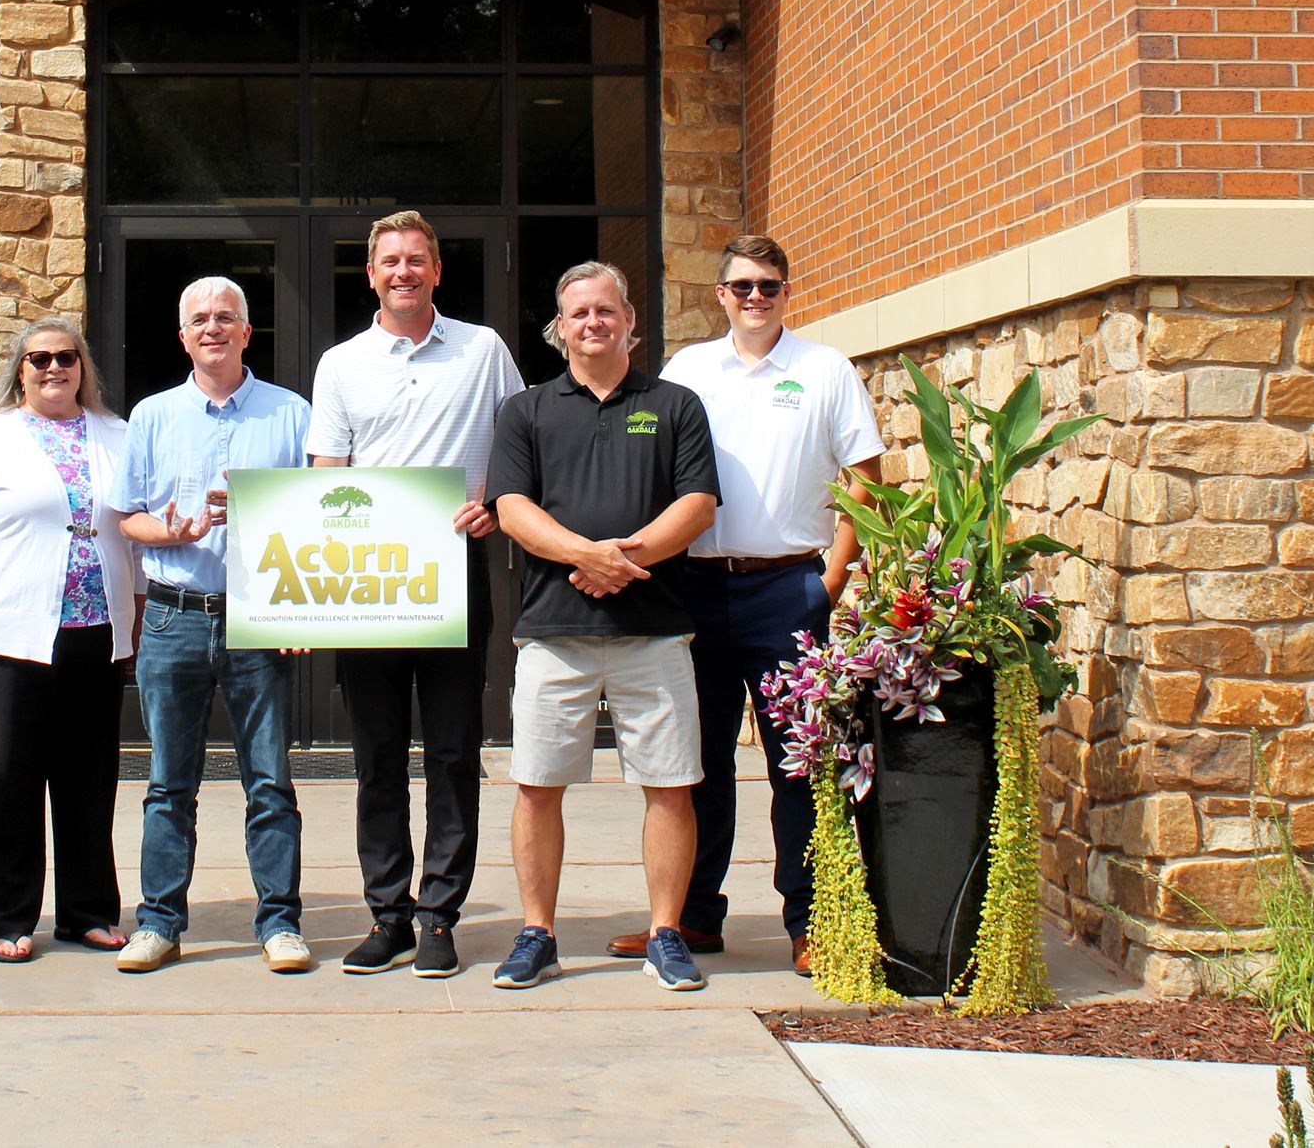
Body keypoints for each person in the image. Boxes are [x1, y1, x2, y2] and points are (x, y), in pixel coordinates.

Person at [625, 233, 886, 979]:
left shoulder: (824, 369)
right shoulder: (688, 371)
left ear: (786, 291)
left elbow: (865, 478)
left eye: (769, 286)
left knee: (796, 765)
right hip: (697, 586)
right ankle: (694, 918)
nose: (755, 299)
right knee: (693, 763)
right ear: (720, 294)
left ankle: (808, 923)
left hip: (787, 588)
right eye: (742, 286)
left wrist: (830, 579)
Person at [484, 261, 720, 991]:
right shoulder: (525, 410)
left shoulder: (676, 404)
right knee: (537, 783)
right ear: (560, 328)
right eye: (579, 312)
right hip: (555, 630)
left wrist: (621, 559)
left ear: (629, 320)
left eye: (606, 310)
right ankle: (537, 931)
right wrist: (587, 555)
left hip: (652, 629)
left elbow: (698, 504)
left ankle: (665, 931)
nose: (593, 322)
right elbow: (511, 507)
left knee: (671, 784)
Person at [309, 210, 523, 979]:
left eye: (416, 259)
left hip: (453, 568)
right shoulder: (341, 363)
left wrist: (495, 503)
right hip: (366, 578)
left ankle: (439, 915)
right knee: (375, 758)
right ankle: (388, 915)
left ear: (437, 270)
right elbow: (326, 474)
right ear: (370, 274)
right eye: (389, 260)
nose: (402, 270)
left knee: (454, 751)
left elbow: (518, 443)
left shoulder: (483, 349)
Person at [107, 277, 315, 977]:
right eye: (199, 318)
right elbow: (126, 517)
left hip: (259, 617)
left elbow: (315, 513)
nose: (213, 327)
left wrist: (301, 605)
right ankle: (159, 922)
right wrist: (164, 528)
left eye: (227, 317)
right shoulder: (153, 415)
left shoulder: (292, 413)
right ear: (183, 336)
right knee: (169, 782)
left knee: (270, 779)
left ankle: (280, 923)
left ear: (248, 333)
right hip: (173, 613)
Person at [0, 317, 138, 964]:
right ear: (19, 369)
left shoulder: (116, 435)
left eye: (66, 356)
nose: (53, 368)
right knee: (6, 781)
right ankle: (10, 914)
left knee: (90, 781)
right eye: (38, 358)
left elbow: (135, 532)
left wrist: (138, 618)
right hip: (8, 636)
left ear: (82, 365)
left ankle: (88, 911)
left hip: (94, 635)